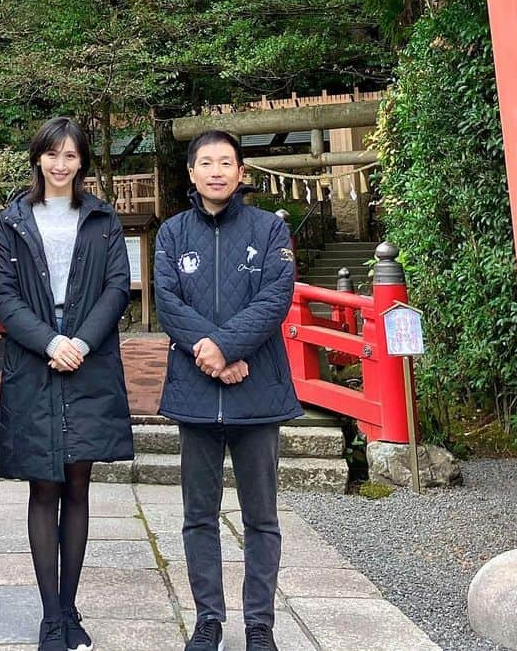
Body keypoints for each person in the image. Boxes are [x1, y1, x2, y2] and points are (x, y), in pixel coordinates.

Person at [0, 117, 134, 651]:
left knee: (78, 482)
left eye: (71, 155)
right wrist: (51, 342)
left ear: (82, 164)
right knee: (41, 485)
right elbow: (2, 295)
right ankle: (51, 616)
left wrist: (82, 342)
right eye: (52, 154)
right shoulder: (13, 221)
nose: (60, 164)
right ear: (38, 158)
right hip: (33, 361)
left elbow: (118, 286)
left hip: (89, 361)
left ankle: (70, 608)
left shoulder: (100, 218)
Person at [154, 130, 301, 651]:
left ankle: (259, 623)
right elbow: (168, 303)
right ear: (191, 173)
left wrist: (228, 348)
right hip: (197, 393)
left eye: (226, 162)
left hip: (256, 390)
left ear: (241, 173)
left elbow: (274, 298)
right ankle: (208, 619)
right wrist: (214, 355)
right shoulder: (171, 233)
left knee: (261, 516)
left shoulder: (269, 230)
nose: (216, 171)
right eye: (205, 162)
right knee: (199, 515)